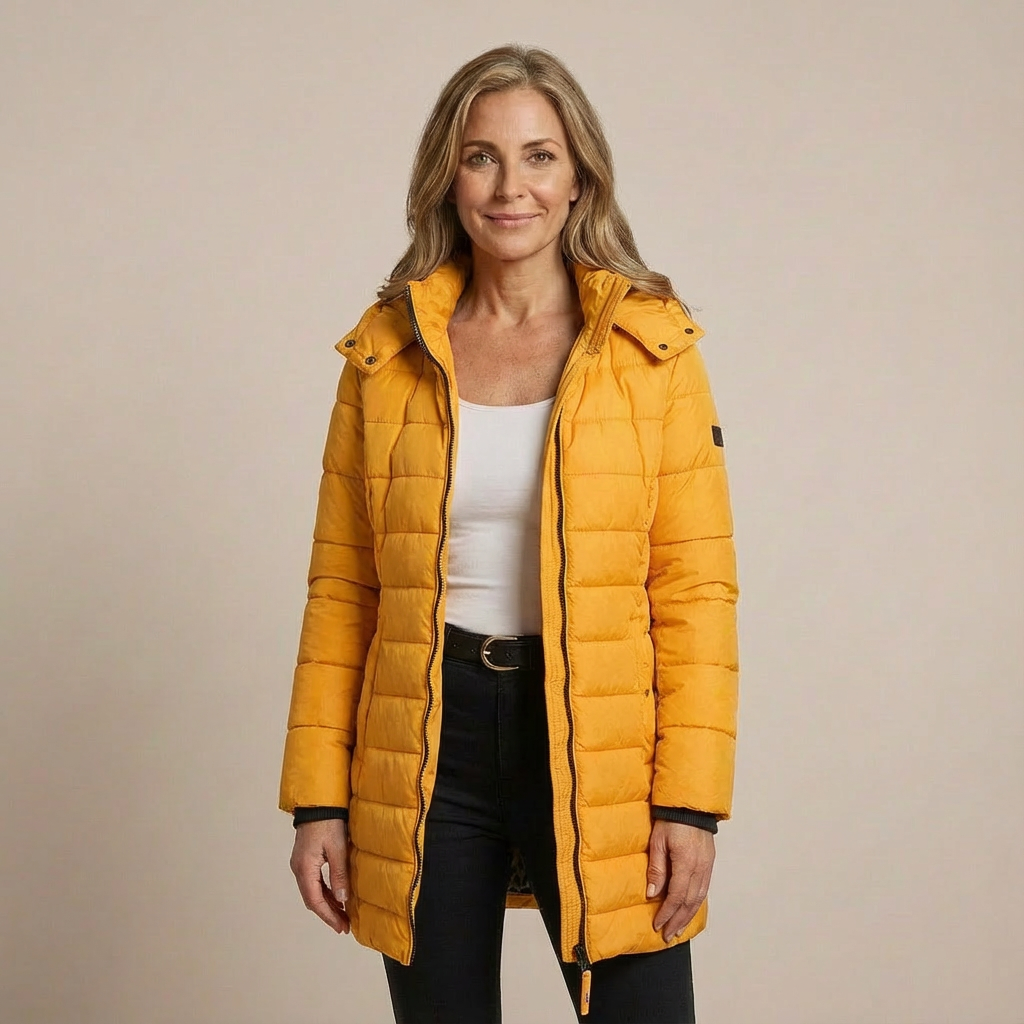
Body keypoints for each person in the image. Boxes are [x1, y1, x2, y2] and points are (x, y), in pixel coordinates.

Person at [279, 43, 740, 1024]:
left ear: (579, 178)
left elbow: (693, 590)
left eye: (539, 156)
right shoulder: (386, 354)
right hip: (425, 736)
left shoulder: (649, 350)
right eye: (481, 156)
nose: (509, 186)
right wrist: (318, 799)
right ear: (447, 177)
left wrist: (689, 802)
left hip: (603, 735)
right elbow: (344, 588)